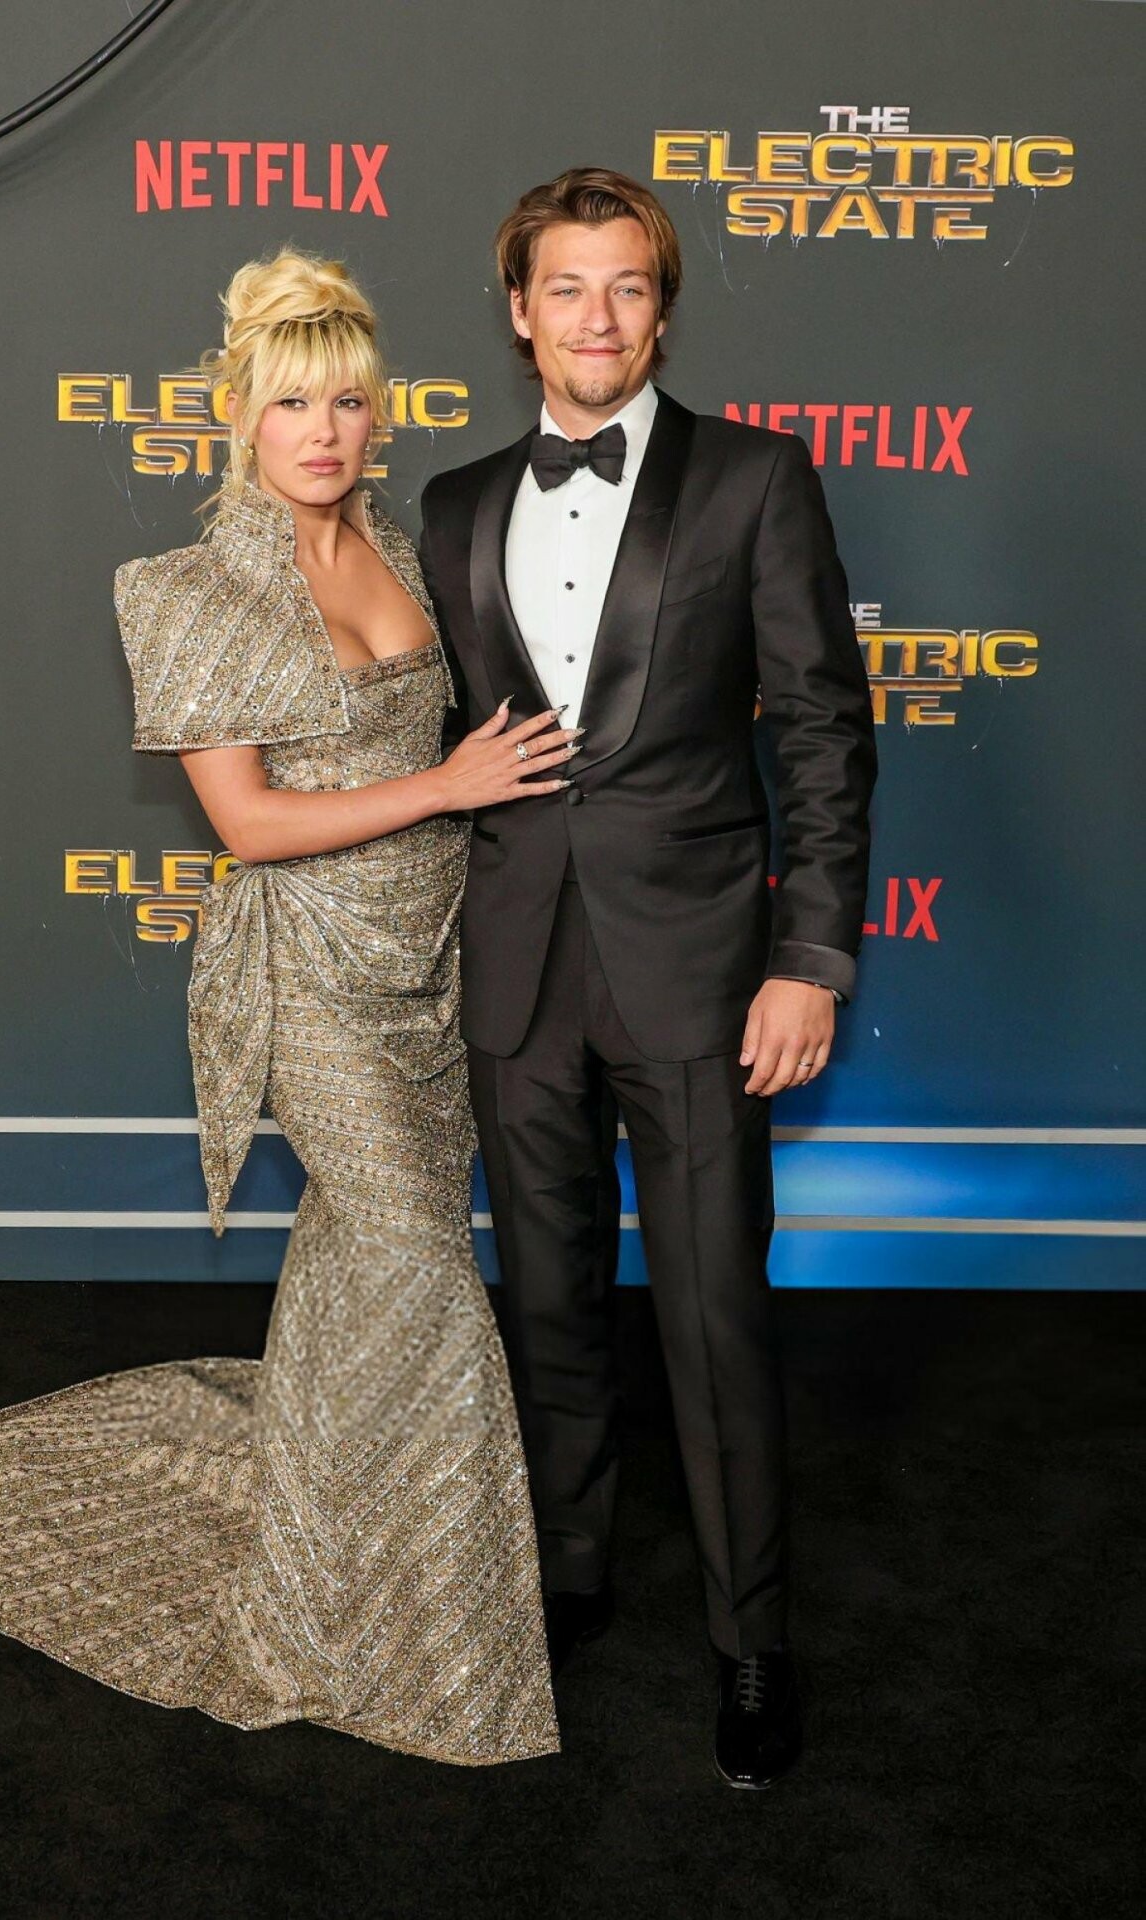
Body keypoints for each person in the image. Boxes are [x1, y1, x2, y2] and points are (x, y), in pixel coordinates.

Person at [0, 247, 578, 1767]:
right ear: (239, 416)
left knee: (370, 1252)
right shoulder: (185, 592)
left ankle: (340, 1500)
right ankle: (419, 1630)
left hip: (438, 959)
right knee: (421, 1264)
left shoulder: (413, 548)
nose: (322, 433)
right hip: (313, 977)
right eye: (290, 404)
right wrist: (450, 784)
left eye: (346, 402)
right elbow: (249, 825)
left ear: (377, 412)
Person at [418, 169, 878, 1788]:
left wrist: (808, 959)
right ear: (520, 310)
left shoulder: (754, 478)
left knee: (713, 1314)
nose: (596, 316)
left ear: (661, 311)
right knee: (547, 1303)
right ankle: (568, 1575)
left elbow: (821, 730)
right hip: (516, 967)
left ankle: (753, 1642)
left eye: (626, 286)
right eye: (567, 286)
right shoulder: (454, 504)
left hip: (698, 968)